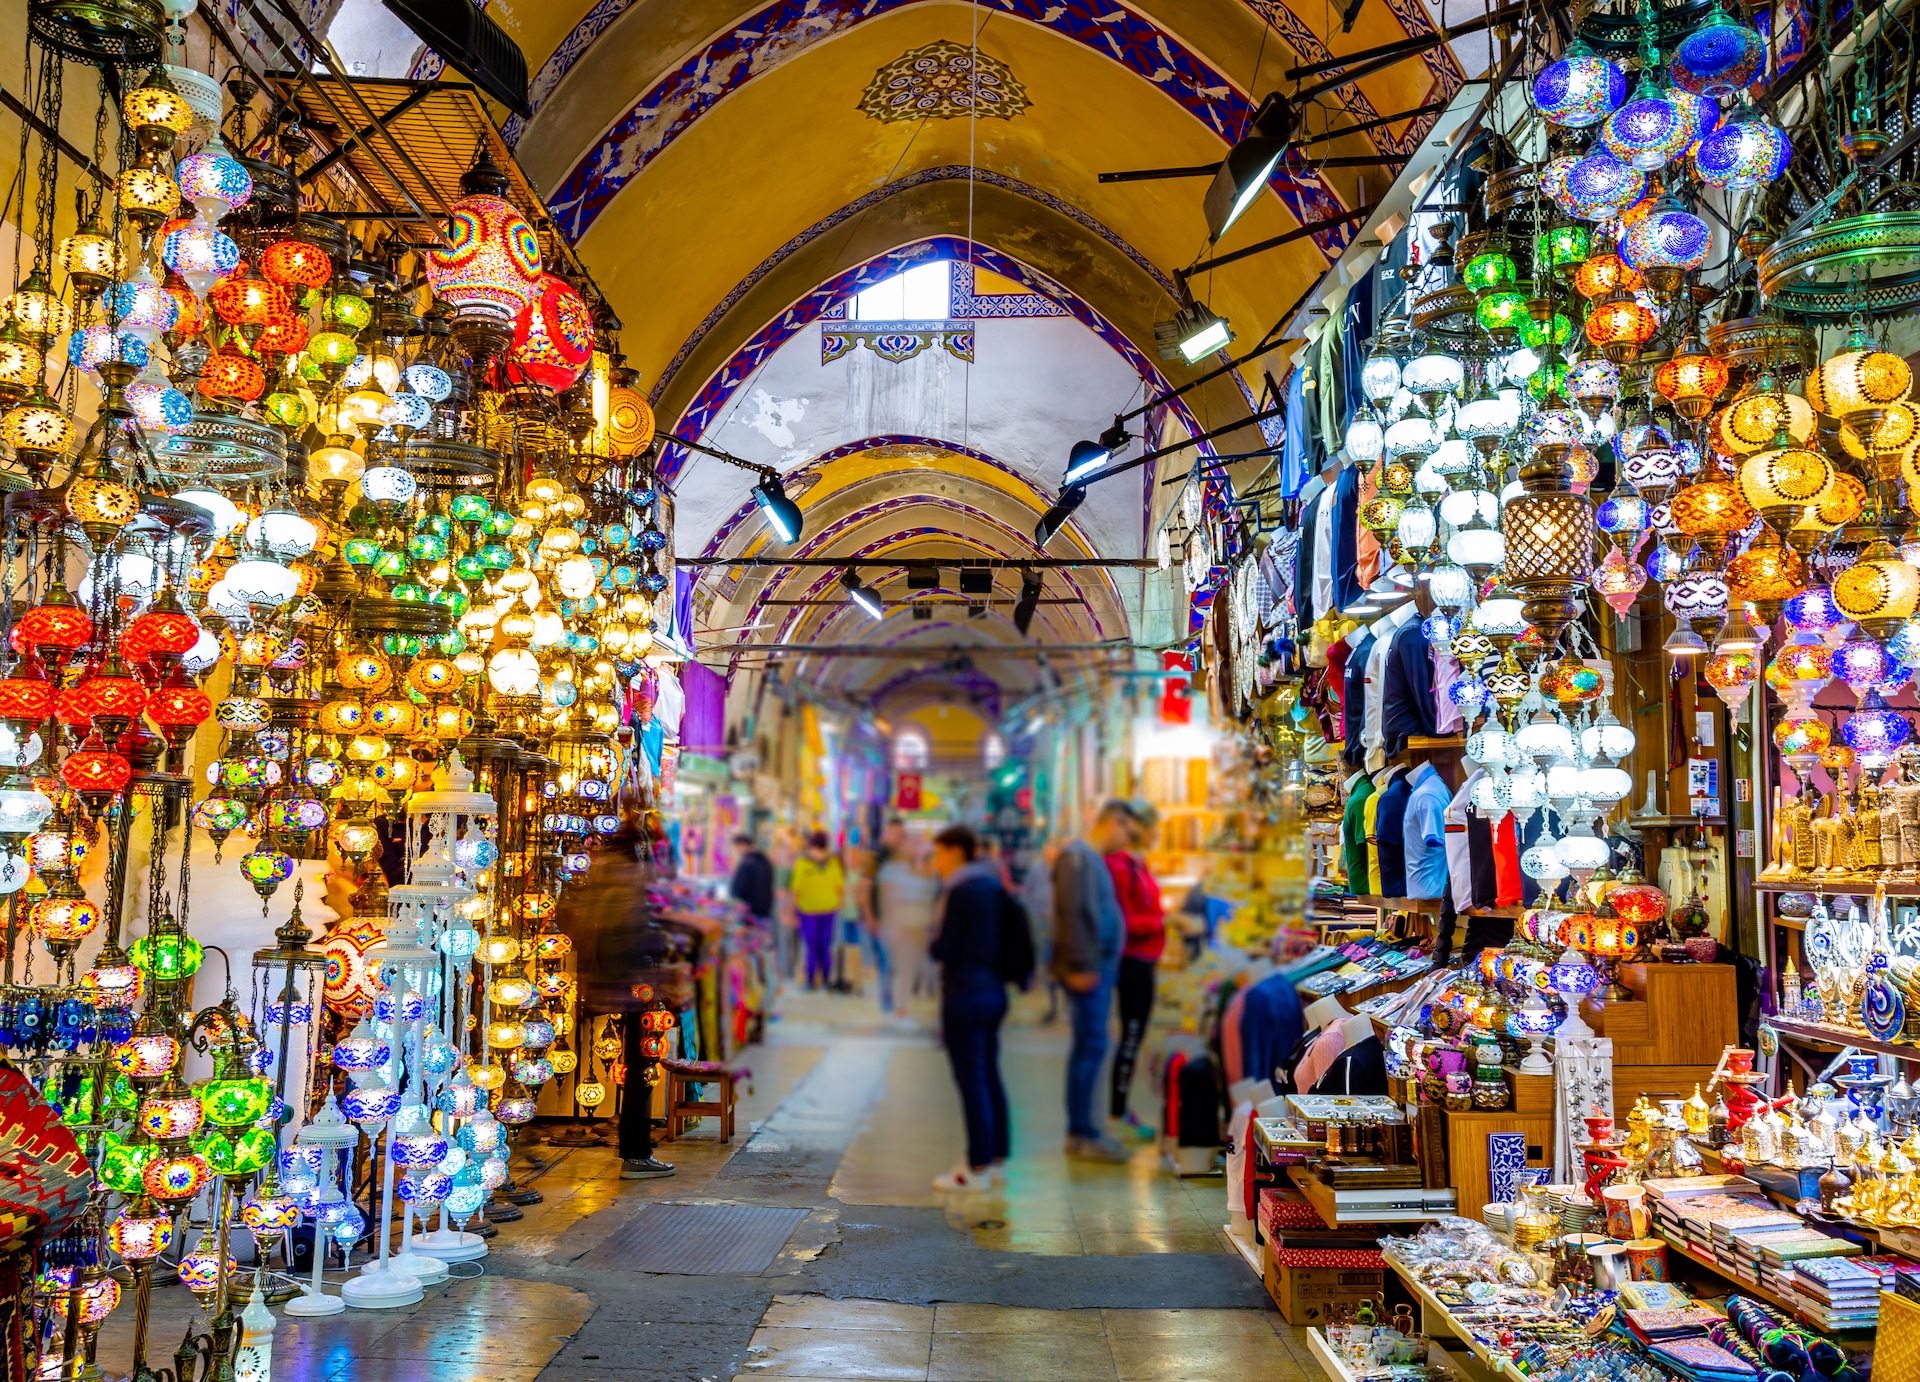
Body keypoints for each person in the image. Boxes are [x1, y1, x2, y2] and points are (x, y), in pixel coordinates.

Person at [558, 815, 688, 1179]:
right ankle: (635, 1152)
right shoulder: (631, 881)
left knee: (637, 1069)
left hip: (619, 983)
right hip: (635, 986)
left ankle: (635, 1148)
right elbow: (638, 934)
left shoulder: (607, 876)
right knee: (641, 1070)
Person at [928, 823, 1012, 1191]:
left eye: (939, 853)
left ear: (954, 851)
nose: (936, 861)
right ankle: (995, 1160)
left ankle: (975, 1168)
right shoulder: (993, 886)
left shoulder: (959, 892)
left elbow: (943, 948)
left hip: (964, 994)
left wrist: (933, 941)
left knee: (971, 1079)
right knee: (990, 1073)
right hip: (993, 991)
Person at [1051, 802, 1133, 1162]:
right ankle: (1083, 1132)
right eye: (1126, 831)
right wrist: (1082, 964)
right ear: (1113, 823)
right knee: (1092, 1046)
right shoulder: (1078, 859)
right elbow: (1073, 914)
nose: (1126, 840)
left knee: (1091, 1046)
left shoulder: (1088, 860)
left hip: (1095, 967)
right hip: (1088, 970)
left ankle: (1084, 1130)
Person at [1106, 802, 1164, 1138]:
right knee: (1129, 1038)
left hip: (1143, 961)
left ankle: (1119, 1112)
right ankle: (1115, 1116)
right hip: (1133, 963)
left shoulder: (1135, 865)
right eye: (1152, 826)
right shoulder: (1120, 867)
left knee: (1133, 1037)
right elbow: (1123, 922)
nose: (1156, 833)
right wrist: (1163, 921)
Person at [875, 828, 938, 1020]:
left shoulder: (919, 868)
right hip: (900, 925)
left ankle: (901, 1006)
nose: (913, 848)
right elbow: (882, 895)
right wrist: (888, 923)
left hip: (919, 925)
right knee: (899, 969)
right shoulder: (883, 864)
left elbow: (929, 893)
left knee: (914, 968)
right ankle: (895, 1007)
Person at [788, 831, 845, 990]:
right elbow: (840, 887)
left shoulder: (802, 864)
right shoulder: (834, 862)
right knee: (825, 946)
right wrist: (840, 903)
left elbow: (795, 890)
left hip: (808, 911)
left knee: (812, 946)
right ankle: (826, 981)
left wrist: (792, 912)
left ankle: (810, 981)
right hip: (829, 910)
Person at [1022, 841, 1061, 1023]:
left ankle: (1051, 980)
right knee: (1038, 947)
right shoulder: (1036, 869)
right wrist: (1029, 909)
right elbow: (1027, 889)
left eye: (1051, 852)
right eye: (1047, 852)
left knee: (1053, 952)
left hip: (1057, 919)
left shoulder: (1062, 869)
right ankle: (1040, 976)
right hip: (1038, 915)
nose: (1049, 855)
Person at [728, 832, 774, 924]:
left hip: (753, 908)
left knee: (752, 934)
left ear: (743, 845)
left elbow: (741, 884)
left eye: (737, 847)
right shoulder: (763, 859)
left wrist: (735, 897)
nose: (737, 850)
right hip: (765, 906)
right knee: (761, 934)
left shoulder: (749, 861)